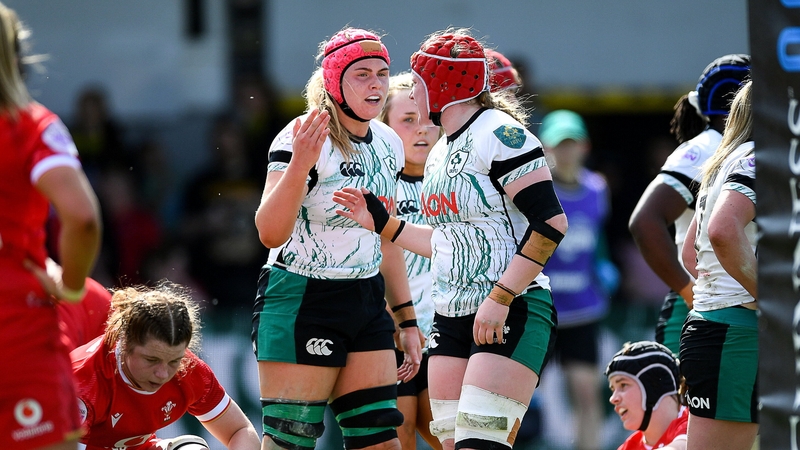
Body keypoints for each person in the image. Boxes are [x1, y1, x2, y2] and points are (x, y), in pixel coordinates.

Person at [334, 28, 568, 450]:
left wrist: (500, 298)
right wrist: (383, 223)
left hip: (509, 308)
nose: (409, 91)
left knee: (482, 442)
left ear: (442, 84)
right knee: (450, 444)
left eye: (418, 82)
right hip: (450, 316)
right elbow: (446, 244)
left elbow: (551, 223)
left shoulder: (501, 134)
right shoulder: (442, 149)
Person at [252, 27, 422, 450]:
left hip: (365, 298)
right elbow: (269, 232)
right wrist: (299, 167)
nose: (377, 84)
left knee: (381, 439)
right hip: (302, 297)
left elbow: (387, 238)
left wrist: (407, 319)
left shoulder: (387, 143)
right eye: (361, 73)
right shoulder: (301, 136)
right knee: (290, 442)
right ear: (334, 81)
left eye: (382, 73)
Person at [0, 3, 102, 449]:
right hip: (15, 327)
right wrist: (73, 287)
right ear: (16, 55)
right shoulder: (31, 127)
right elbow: (82, 218)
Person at [628, 54, 751, 355]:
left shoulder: (741, 148)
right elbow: (645, 221)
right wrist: (687, 290)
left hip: (732, 303)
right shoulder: (705, 146)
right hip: (704, 302)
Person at [71, 282, 261, 450]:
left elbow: (240, 430)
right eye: (151, 360)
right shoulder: (82, 383)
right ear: (126, 343)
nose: (162, 374)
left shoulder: (189, 369)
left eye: (174, 361)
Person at [680, 80, 757, 450]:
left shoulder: (728, 158)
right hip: (737, 335)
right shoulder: (763, 157)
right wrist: (776, 301)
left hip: (720, 329)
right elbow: (723, 231)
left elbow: (690, 254)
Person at [538, 109, 618, 450]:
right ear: (546, 148)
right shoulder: (537, 190)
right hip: (542, 307)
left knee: (586, 393)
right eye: (559, 145)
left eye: (572, 144)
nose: (565, 152)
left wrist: (604, 267)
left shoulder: (597, 189)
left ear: (584, 146)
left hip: (584, 308)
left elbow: (598, 239)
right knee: (518, 394)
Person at [379, 71, 442, 450]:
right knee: (398, 440)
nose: (422, 130)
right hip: (390, 336)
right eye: (408, 120)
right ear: (383, 126)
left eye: (430, 120)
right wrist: (398, 322)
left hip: (447, 337)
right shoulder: (376, 181)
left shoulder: (458, 179)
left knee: (454, 438)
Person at [605, 341, 687, 450]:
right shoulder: (629, 447)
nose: (613, 399)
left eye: (623, 385)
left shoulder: (696, 423)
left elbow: (684, 446)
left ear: (655, 387)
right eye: (613, 390)